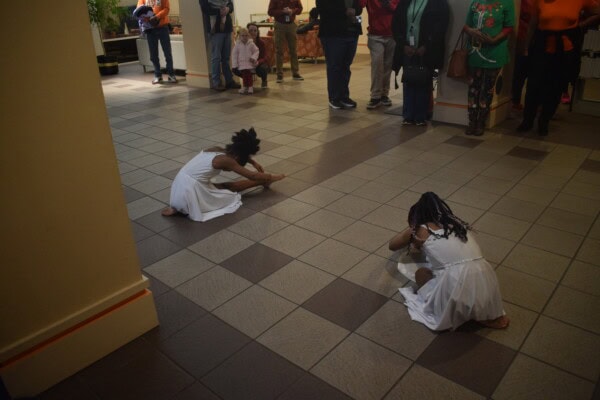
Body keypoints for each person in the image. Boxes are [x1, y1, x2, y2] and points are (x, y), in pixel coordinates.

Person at [389, 192, 509, 331]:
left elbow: (392, 245)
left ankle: (458, 309)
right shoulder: (457, 225)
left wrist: (410, 233)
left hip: (455, 283)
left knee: (421, 273)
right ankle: (484, 313)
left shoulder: (418, 230)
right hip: (484, 277)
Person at [162, 128, 285, 222]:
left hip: (179, 186)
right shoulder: (227, 160)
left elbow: (239, 153)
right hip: (191, 190)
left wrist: (253, 162)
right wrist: (272, 176)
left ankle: (180, 206)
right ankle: (266, 181)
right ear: (238, 157)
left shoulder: (215, 149)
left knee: (224, 186)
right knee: (229, 188)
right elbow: (252, 176)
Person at [518, 0, 600, 135]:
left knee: (556, 85)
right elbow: (533, 23)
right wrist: (526, 47)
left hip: (565, 46)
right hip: (542, 43)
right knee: (534, 83)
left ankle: (544, 121)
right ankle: (528, 120)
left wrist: (580, 25)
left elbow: (597, 12)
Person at [392, 0, 449, 126]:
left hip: (427, 51)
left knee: (423, 83)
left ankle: (420, 116)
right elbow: (396, 24)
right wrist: (403, 45)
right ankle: (408, 116)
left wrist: (426, 46)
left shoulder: (438, 3)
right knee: (408, 81)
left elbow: (440, 27)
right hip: (408, 50)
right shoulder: (405, 2)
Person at [463, 0, 514, 136]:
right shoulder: (475, 2)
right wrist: (471, 31)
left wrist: (494, 39)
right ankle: (472, 121)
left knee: (487, 89)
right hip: (474, 53)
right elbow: (466, 25)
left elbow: (509, 26)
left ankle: (481, 122)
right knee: (473, 89)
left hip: (494, 53)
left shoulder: (507, 3)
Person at [316, 0, 364, 110]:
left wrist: (355, 11)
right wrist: (345, 11)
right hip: (333, 34)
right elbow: (323, 7)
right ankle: (334, 98)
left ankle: (344, 96)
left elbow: (359, 7)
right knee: (334, 67)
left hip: (351, 33)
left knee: (345, 66)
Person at [360, 0, 399, 110]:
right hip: (375, 35)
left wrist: (389, 5)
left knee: (388, 66)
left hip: (392, 35)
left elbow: (400, 9)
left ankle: (384, 95)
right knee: (377, 65)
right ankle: (375, 96)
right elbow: (360, 4)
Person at [199, 0, 241, 91]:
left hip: (227, 27)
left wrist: (228, 8)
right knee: (216, 57)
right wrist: (219, 11)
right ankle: (216, 82)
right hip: (215, 28)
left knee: (226, 57)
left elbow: (231, 4)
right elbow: (205, 8)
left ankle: (229, 81)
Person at [136, 0, 178, 85]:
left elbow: (166, 9)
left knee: (167, 52)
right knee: (153, 54)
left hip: (163, 27)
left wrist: (157, 16)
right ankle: (158, 75)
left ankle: (171, 75)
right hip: (150, 29)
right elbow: (139, 10)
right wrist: (147, 17)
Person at [268, 0, 305, 83]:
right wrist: (282, 12)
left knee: (293, 50)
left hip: (291, 24)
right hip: (279, 24)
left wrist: (292, 11)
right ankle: (279, 75)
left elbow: (300, 9)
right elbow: (270, 12)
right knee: (279, 50)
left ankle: (295, 73)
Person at [511, 0, 534, 111]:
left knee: (521, 71)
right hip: (522, 37)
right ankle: (515, 101)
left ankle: (515, 101)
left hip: (528, 36)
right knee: (520, 71)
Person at [232, 28, 260, 95]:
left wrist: (253, 57)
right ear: (239, 36)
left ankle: (250, 87)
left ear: (248, 35)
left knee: (249, 76)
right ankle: (245, 86)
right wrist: (234, 65)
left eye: (246, 35)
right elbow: (234, 55)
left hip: (249, 63)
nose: (244, 37)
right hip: (242, 64)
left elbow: (256, 51)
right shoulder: (237, 45)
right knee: (244, 76)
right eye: (243, 35)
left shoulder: (251, 43)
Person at [247, 23, 270, 88]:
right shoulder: (243, 43)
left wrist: (258, 62)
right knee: (236, 69)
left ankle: (264, 81)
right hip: (247, 63)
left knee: (263, 68)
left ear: (257, 32)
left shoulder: (261, 43)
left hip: (258, 63)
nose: (253, 32)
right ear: (247, 32)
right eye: (250, 30)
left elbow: (265, 57)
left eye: (255, 30)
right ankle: (247, 82)